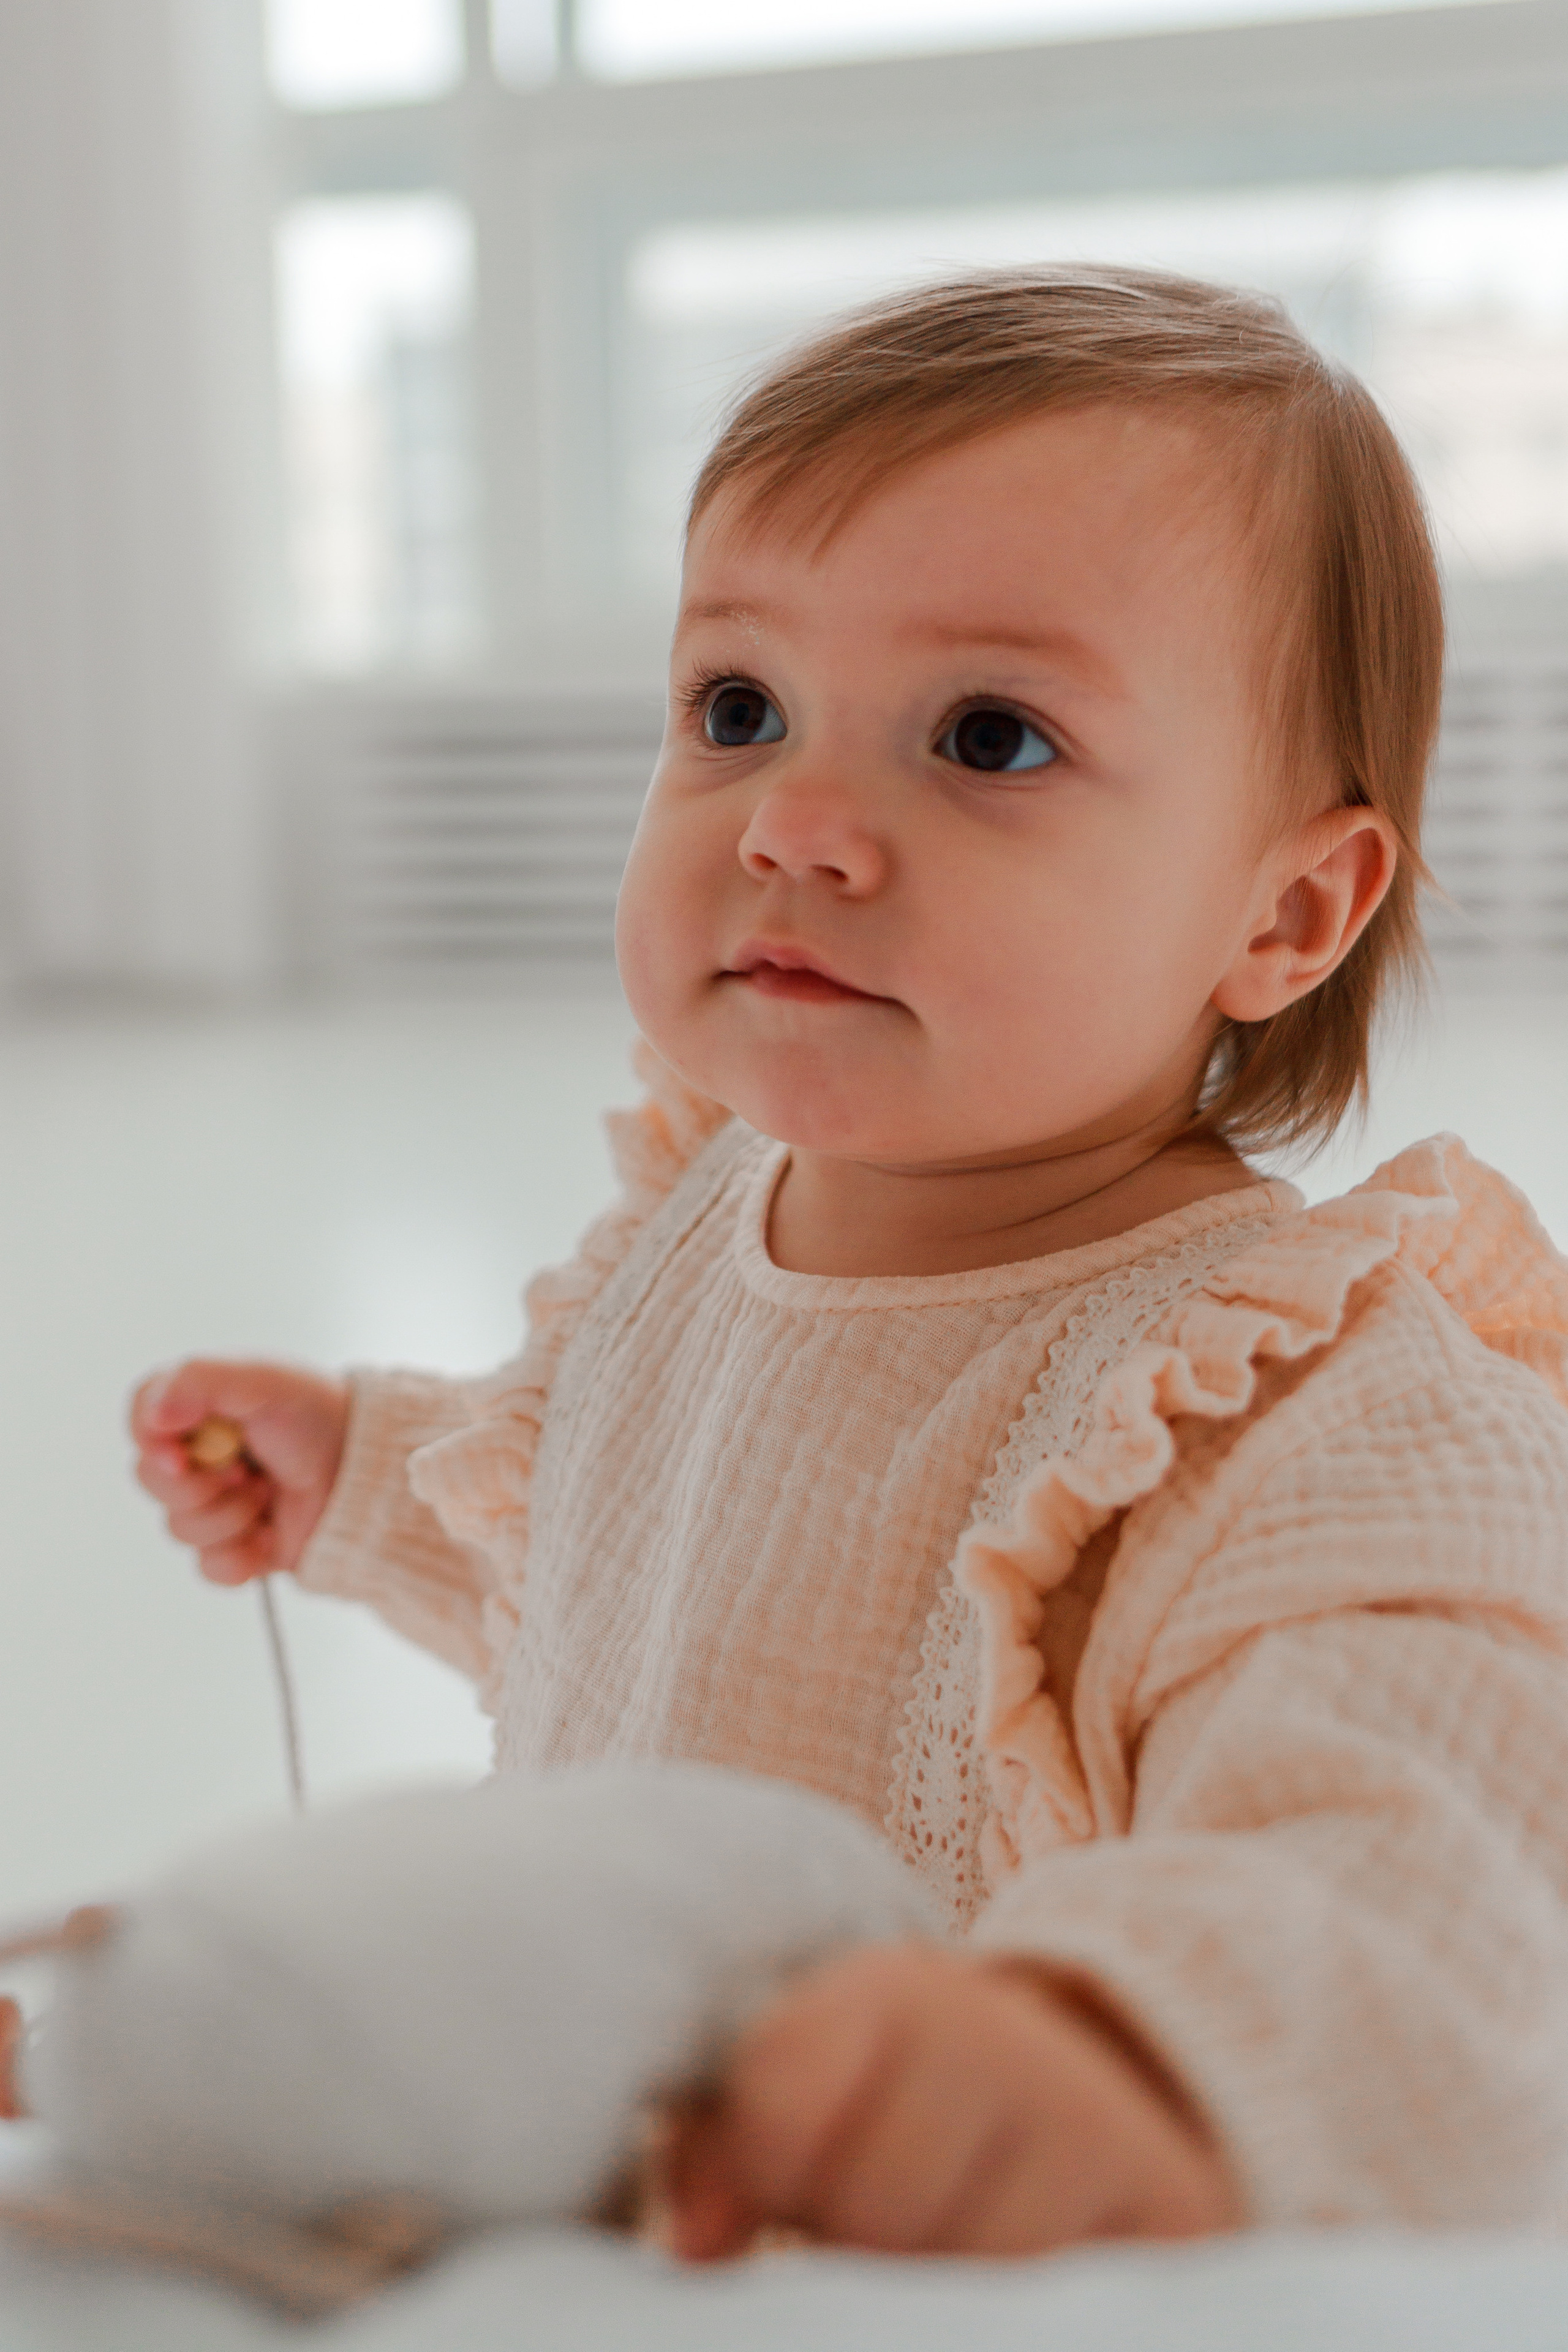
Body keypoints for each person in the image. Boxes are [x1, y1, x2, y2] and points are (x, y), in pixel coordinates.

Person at [132, 268, 1568, 2262]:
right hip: (614, 2183)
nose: (797, 820)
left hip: (935, 2259)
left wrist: (1114, 2048)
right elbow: (630, 1572)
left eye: (988, 736)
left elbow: (1434, 1838)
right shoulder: (711, 1212)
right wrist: (370, 1474)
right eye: (740, 707)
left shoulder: (1318, 1410)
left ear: (1288, 910)